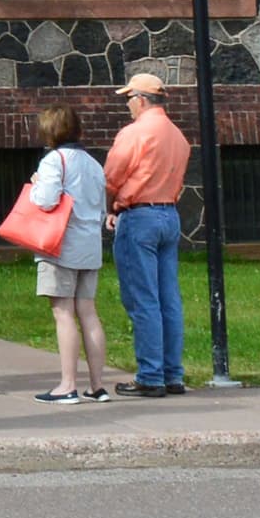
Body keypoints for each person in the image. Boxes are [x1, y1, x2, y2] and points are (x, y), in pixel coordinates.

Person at [105, 73, 193, 397]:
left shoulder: (134, 133)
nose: (128, 104)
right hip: (169, 215)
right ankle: (173, 374)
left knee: (143, 299)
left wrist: (111, 209)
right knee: (169, 299)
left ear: (140, 99)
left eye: (129, 98)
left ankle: (150, 376)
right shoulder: (178, 137)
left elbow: (111, 177)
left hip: (138, 216)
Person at [22, 103, 112, 403]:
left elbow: (46, 201)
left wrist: (35, 186)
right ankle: (97, 385)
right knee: (88, 312)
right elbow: (100, 206)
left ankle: (67, 385)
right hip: (90, 244)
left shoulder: (53, 161)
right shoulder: (93, 163)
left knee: (63, 313)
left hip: (60, 244)